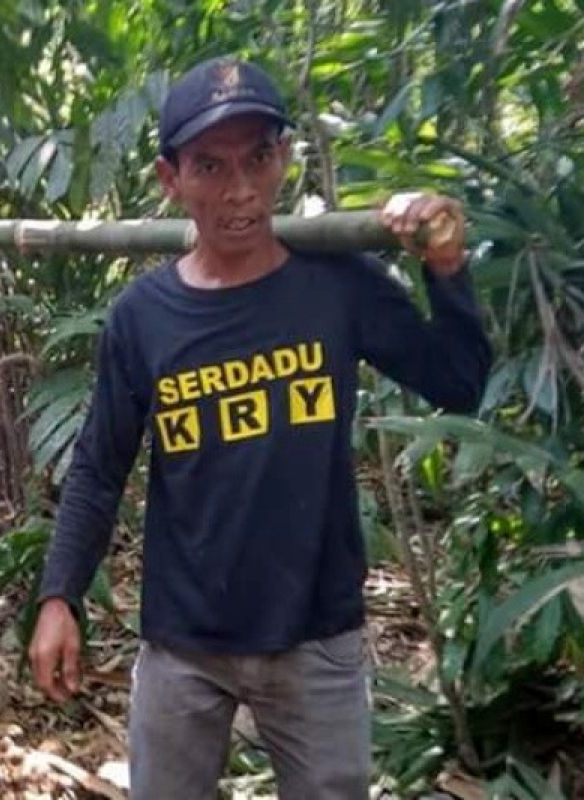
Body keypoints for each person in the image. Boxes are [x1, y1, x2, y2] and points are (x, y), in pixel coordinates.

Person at [27, 56, 492, 799]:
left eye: (258, 159)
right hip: (184, 646)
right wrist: (60, 597)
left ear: (284, 159)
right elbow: (98, 469)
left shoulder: (334, 286)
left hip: (317, 641)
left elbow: (459, 383)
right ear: (169, 178)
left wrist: (446, 265)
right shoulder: (142, 320)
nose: (240, 191)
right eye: (210, 166)